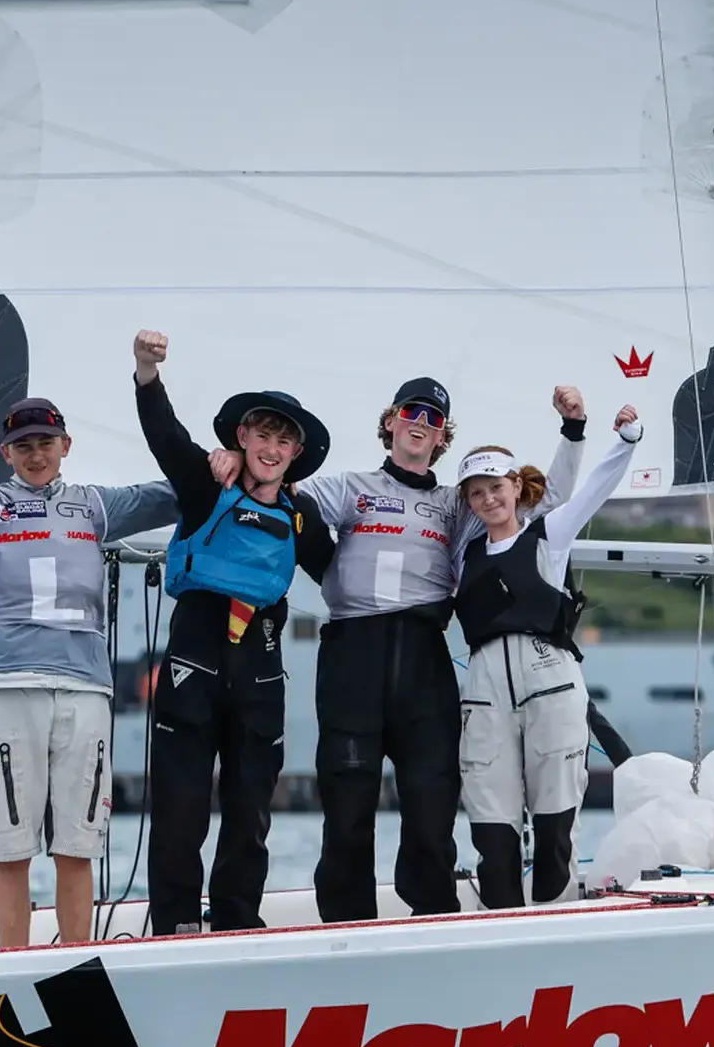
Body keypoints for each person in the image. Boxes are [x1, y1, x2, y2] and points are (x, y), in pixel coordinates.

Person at [208, 380, 588, 923]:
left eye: (433, 418)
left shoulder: (456, 505)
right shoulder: (353, 487)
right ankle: (346, 922)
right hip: (353, 654)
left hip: (422, 656)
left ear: (442, 437)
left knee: (431, 801)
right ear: (390, 422)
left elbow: (541, 505)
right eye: (411, 411)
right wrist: (229, 459)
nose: (421, 421)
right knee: (347, 803)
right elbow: (278, 488)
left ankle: (432, 913)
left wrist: (572, 431)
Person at [0, 330, 179, 948]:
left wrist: (231, 456)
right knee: (12, 846)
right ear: (7, 453)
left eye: (45, 442)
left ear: (65, 446)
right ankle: (12, 962)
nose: (35, 454)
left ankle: (78, 959)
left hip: (83, 689)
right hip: (5, 685)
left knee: (78, 845)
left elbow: (184, 489)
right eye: (23, 445)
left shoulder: (98, 506)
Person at [131, 329, 336, 936]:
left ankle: (237, 922)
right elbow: (164, 434)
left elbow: (344, 577)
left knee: (249, 812)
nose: (272, 447)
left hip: (260, 672)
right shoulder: (204, 483)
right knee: (180, 809)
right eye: (262, 434)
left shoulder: (302, 514)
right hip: (193, 661)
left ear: (295, 452)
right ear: (241, 438)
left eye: (284, 439)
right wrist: (146, 370)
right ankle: (171, 925)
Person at [453, 400, 644, 909]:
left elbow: (591, 492)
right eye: (477, 493)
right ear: (469, 503)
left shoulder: (548, 536)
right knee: (492, 824)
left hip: (551, 681)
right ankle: (498, 924)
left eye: (496, 487)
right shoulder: (462, 555)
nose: (489, 498)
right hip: (485, 687)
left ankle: (556, 917)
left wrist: (626, 440)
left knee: (555, 819)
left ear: (517, 488)